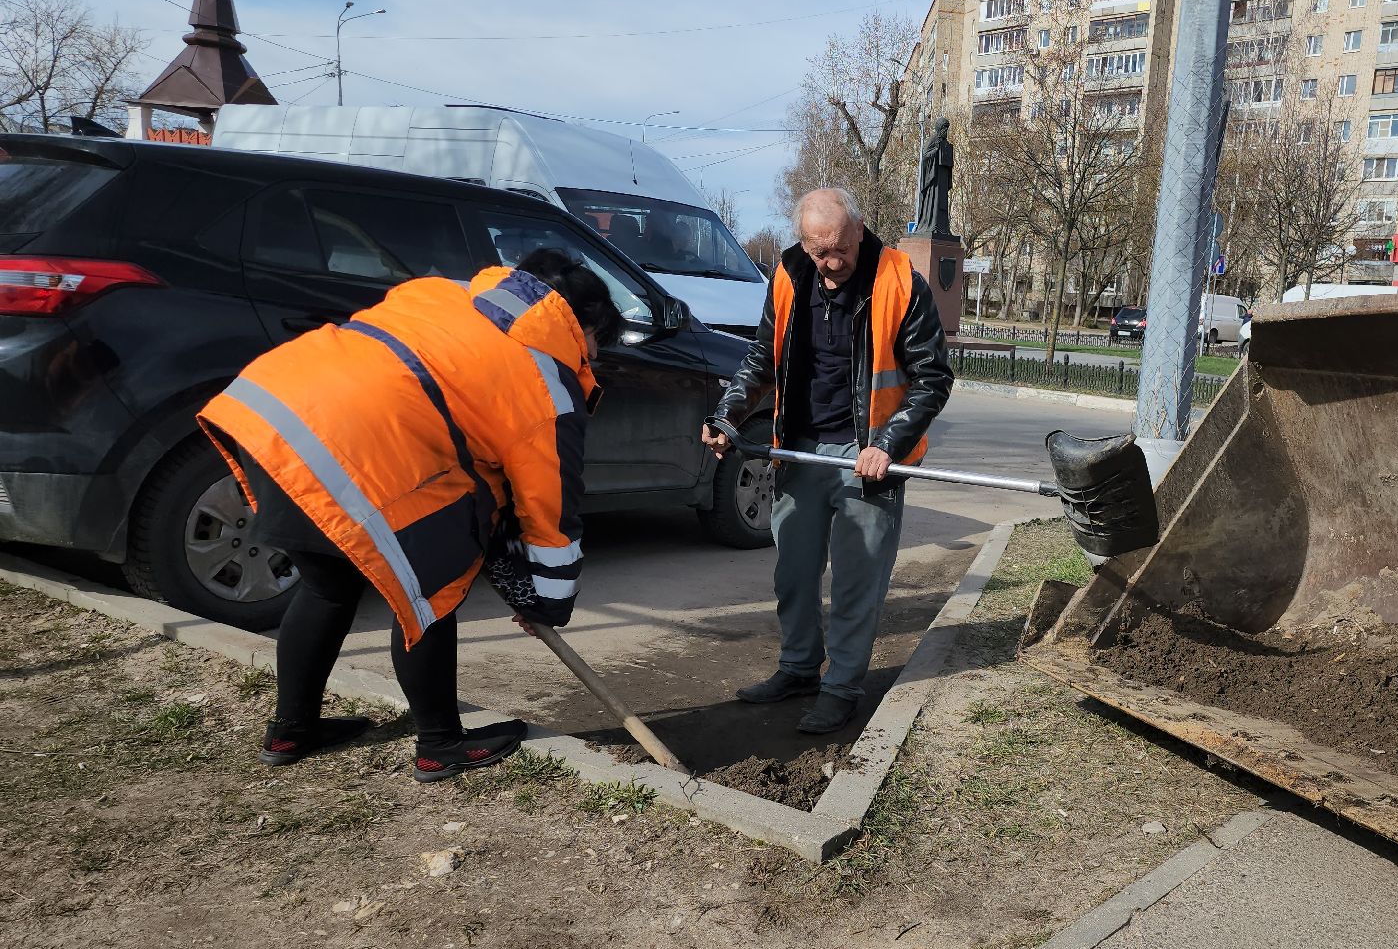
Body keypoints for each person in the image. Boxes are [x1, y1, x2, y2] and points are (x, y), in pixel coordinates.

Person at [198, 248, 619, 781]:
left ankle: (291, 730)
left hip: (272, 417)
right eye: (598, 340)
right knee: (430, 591)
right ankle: (440, 744)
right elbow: (550, 507)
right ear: (578, 324)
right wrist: (546, 600)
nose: (596, 355)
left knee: (327, 585)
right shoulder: (546, 380)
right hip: (363, 449)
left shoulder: (442, 290)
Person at [703, 188, 953, 734]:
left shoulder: (901, 281)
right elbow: (758, 361)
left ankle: (841, 686)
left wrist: (887, 442)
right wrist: (726, 414)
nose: (831, 262)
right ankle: (797, 669)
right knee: (793, 573)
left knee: (857, 580)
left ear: (859, 231)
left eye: (840, 248)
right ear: (803, 243)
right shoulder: (789, 277)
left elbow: (933, 378)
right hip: (799, 447)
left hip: (870, 454)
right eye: (820, 251)